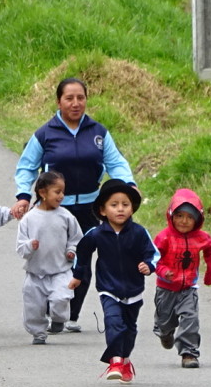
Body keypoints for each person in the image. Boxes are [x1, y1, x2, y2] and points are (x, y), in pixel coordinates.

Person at [12, 77, 137, 332]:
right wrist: (23, 195)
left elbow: (116, 162)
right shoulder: (45, 134)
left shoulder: (98, 132)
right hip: (54, 210)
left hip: (90, 209)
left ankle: (70, 315)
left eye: (80, 97)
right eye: (69, 98)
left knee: (81, 260)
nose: (75, 103)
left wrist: (128, 183)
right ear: (59, 101)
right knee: (53, 260)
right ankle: (48, 309)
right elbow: (26, 166)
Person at [70, 179, 158, 383]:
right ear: (102, 210)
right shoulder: (96, 234)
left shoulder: (139, 232)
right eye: (114, 204)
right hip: (108, 288)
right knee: (113, 322)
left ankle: (125, 360)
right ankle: (116, 361)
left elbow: (153, 254)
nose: (120, 209)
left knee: (129, 328)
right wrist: (77, 276)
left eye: (125, 205)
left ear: (132, 208)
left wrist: (148, 265)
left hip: (134, 289)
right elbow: (81, 253)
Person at [152, 188, 211, 369]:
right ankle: (165, 333)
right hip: (165, 289)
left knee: (190, 318)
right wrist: (164, 271)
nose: (184, 221)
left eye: (190, 217)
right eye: (179, 215)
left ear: (198, 219)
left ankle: (189, 353)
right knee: (165, 322)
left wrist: (210, 272)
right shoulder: (164, 237)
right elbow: (153, 258)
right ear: (171, 215)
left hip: (188, 288)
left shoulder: (201, 237)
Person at [16, 171, 83, 345]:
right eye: (57, 192)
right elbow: (21, 247)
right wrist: (30, 246)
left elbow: (77, 238)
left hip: (61, 270)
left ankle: (59, 319)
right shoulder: (29, 219)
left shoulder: (66, 216)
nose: (61, 196)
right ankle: (38, 333)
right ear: (43, 193)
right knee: (33, 307)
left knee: (61, 298)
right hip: (35, 273)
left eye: (62, 191)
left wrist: (71, 250)